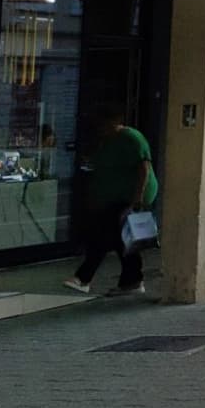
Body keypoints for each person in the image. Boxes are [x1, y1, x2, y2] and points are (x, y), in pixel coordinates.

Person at [62, 105, 156, 297]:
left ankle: (83, 278)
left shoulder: (131, 138)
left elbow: (144, 168)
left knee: (104, 236)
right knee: (121, 240)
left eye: (103, 124)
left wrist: (137, 198)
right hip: (112, 197)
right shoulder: (105, 141)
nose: (100, 128)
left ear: (115, 121)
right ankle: (132, 281)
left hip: (128, 197)